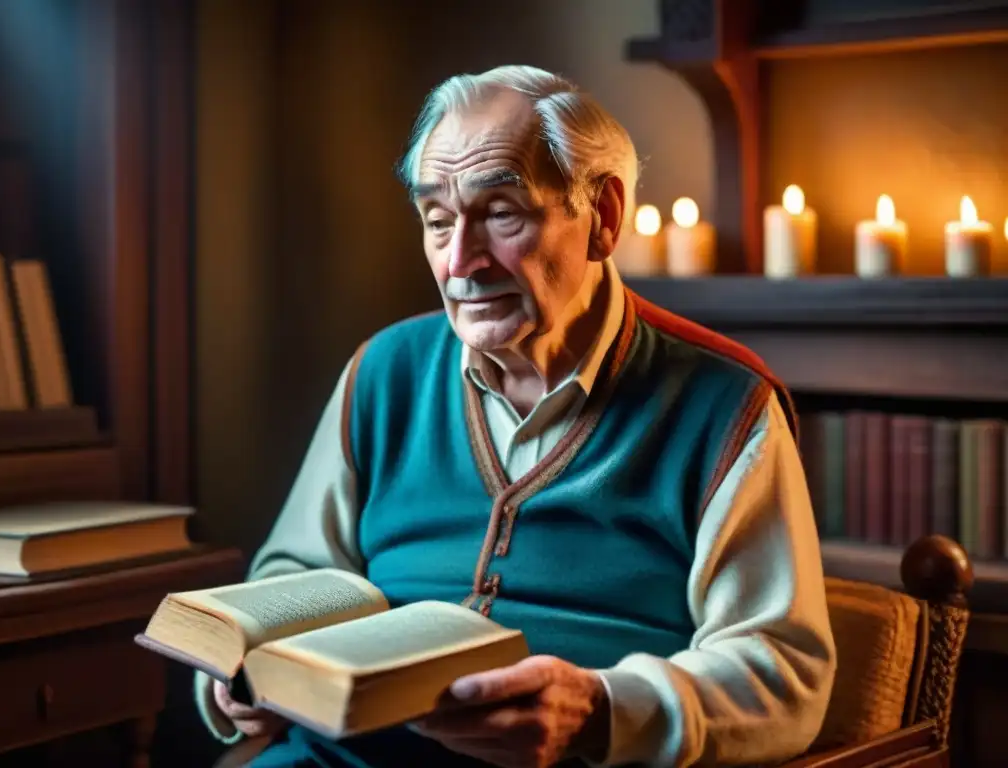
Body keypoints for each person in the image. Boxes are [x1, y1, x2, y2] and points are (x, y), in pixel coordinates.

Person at [195, 64, 836, 768]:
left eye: (502, 214)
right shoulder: (383, 372)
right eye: (438, 221)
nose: (460, 263)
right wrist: (247, 663)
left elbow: (784, 673)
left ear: (604, 217)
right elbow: (299, 569)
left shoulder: (723, 404)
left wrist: (600, 709)